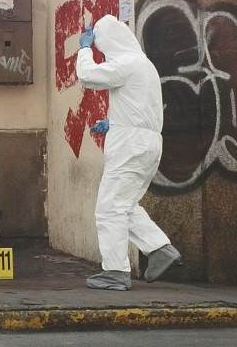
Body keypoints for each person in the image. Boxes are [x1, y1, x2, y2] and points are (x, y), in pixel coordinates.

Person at [75, 15, 181, 290]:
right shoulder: (144, 66)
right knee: (125, 205)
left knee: (108, 209)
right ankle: (160, 249)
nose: (101, 49)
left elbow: (88, 76)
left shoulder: (126, 64)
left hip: (129, 147)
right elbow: (141, 109)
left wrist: (84, 48)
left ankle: (115, 272)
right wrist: (113, 122)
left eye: (100, 43)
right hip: (146, 144)